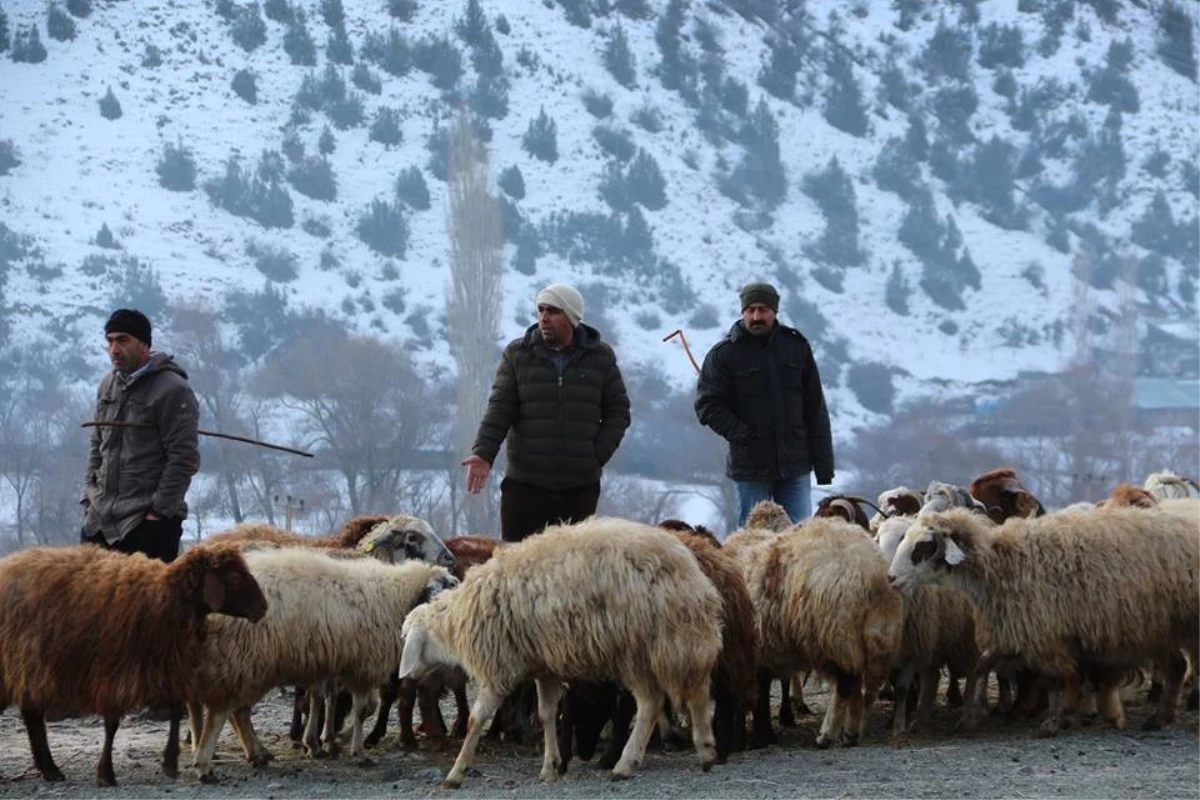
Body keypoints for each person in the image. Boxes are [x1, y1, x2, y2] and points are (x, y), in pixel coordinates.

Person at [461, 283, 631, 543]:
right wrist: (483, 453)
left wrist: (595, 456)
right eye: (541, 310)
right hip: (525, 486)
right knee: (518, 569)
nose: (544, 318)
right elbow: (500, 408)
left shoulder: (600, 357)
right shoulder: (518, 354)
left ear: (572, 317)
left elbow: (618, 412)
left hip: (579, 489)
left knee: (573, 572)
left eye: (553, 311)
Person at [695, 282, 834, 526]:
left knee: (800, 540)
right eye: (751, 310)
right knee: (752, 541)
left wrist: (824, 467)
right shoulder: (724, 355)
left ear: (774, 311)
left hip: (795, 467)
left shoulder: (796, 347)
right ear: (743, 312)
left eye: (763, 310)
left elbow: (815, 409)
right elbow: (707, 405)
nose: (756, 317)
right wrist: (741, 433)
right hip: (750, 469)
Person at [81, 309, 200, 563]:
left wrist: (158, 512)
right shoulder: (107, 385)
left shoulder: (173, 390)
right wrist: (88, 496)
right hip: (99, 523)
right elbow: (96, 446)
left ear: (145, 344)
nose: (114, 349)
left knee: (145, 603)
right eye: (110, 341)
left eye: (123, 340)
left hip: (146, 525)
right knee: (91, 602)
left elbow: (184, 458)